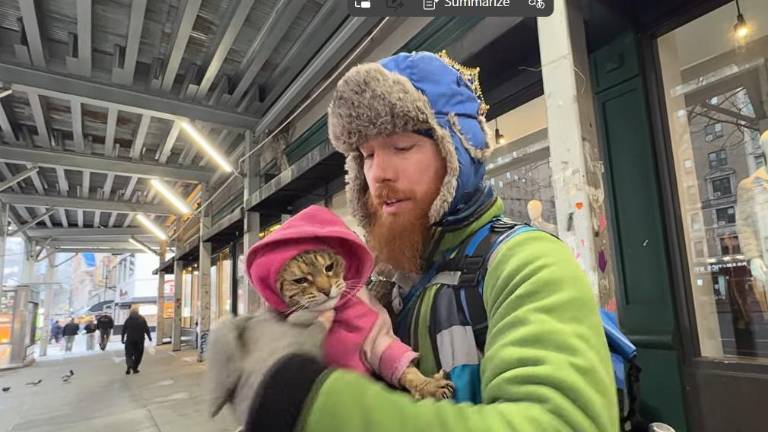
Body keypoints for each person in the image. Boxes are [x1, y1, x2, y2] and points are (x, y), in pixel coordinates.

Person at [208, 51, 617, 431]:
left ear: (455, 153)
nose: (378, 173)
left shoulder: (527, 263)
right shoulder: (385, 282)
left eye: (402, 146)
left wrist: (307, 400)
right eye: (366, 155)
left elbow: (563, 421)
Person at [121, 307, 152, 375]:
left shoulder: (128, 320)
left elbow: (123, 330)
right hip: (140, 340)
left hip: (130, 340)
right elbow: (146, 328)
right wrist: (149, 337)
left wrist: (122, 338)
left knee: (129, 355)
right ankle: (135, 368)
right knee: (138, 355)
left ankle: (129, 365)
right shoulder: (142, 319)